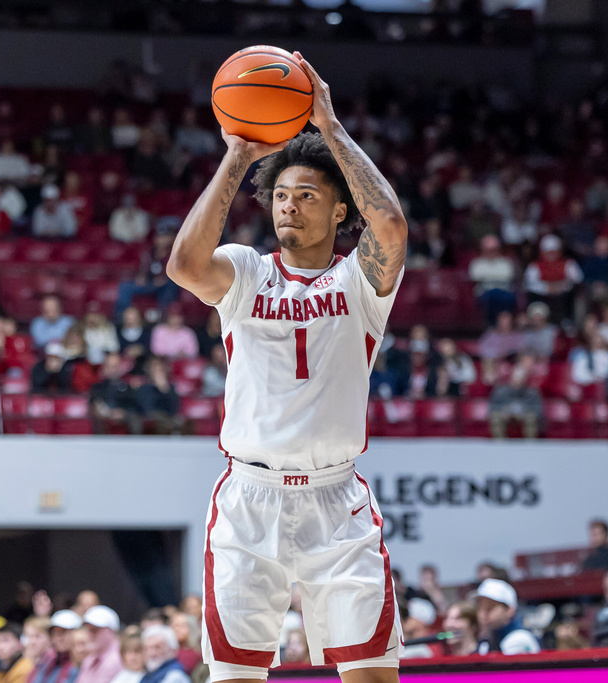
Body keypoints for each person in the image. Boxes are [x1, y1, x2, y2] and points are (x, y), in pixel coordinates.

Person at [165, 55, 408, 681]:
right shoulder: (246, 271)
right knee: (237, 677)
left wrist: (329, 127)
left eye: (306, 196)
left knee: (374, 677)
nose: (288, 207)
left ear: (337, 213)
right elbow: (185, 265)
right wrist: (238, 157)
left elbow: (389, 224)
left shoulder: (361, 284)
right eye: (280, 196)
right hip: (251, 497)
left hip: (338, 500)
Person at [523, 234, 583, 325]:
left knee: (570, 295)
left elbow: (578, 279)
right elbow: (529, 284)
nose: (551, 255)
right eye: (548, 252)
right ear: (542, 252)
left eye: (554, 252)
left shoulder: (569, 264)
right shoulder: (534, 266)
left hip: (563, 295)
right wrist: (546, 288)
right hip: (542, 296)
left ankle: (567, 321)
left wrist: (562, 286)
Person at [475, 579, 540, 655]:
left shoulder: (519, 639)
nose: (483, 613)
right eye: (480, 607)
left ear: (510, 610)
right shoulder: (485, 643)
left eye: (490, 607)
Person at [488, 366, 542, 439]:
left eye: (520, 378)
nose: (517, 380)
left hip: (524, 415)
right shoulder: (500, 392)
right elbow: (492, 408)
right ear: (511, 378)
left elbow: (538, 410)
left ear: (525, 379)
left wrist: (524, 411)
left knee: (531, 419)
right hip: (505, 414)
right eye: (516, 377)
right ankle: (499, 444)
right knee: (496, 418)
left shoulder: (532, 393)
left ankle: (530, 445)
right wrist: (504, 411)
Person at [31, 610, 82, 683]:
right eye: (56, 633)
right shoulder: (50, 661)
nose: (59, 638)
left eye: (63, 632)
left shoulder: (81, 664)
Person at [135, 357, 182, 435]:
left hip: (168, 418)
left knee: (181, 421)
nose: (157, 373)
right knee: (159, 419)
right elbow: (148, 408)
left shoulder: (170, 388)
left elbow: (174, 409)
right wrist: (157, 388)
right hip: (154, 418)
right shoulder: (144, 388)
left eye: (160, 370)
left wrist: (164, 389)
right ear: (149, 372)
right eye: (154, 370)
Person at [75, 606, 122, 683]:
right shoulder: (90, 658)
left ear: (112, 631)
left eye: (95, 630)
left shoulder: (117, 659)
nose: (90, 634)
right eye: (89, 629)